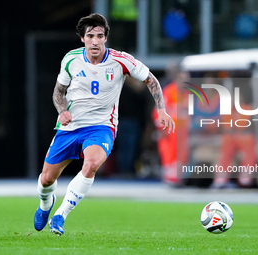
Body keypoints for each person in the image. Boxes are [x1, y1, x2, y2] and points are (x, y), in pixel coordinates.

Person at [33, 13, 175, 236]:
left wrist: (162, 109)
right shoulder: (71, 59)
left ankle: (60, 215)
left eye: (100, 36)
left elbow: (150, 79)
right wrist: (62, 112)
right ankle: (45, 205)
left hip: (101, 127)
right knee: (46, 178)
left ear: (105, 38)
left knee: (91, 165)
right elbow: (58, 92)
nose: (95, 41)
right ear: (82, 39)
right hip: (70, 127)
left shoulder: (120, 60)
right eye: (90, 36)